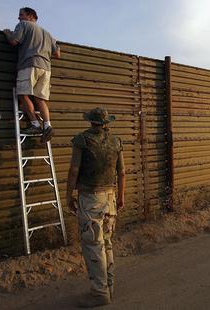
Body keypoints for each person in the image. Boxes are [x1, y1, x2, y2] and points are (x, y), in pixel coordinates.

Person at [66, 107, 126, 307]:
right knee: (106, 243)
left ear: (90, 122)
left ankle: (100, 293)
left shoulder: (82, 140)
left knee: (93, 245)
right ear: (106, 122)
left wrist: (68, 195)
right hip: (110, 198)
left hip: (90, 199)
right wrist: (121, 197)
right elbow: (122, 173)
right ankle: (109, 286)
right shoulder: (116, 142)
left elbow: (74, 170)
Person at [3, 7, 60, 143]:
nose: (19, 18)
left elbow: (13, 41)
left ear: (30, 16)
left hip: (29, 64)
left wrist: (7, 33)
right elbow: (57, 54)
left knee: (23, 94)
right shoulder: (48, 34)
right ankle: (47, 126)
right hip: (46, 68)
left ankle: (35, 124)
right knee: (40, 98)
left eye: (21, 15)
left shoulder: (23, 25)